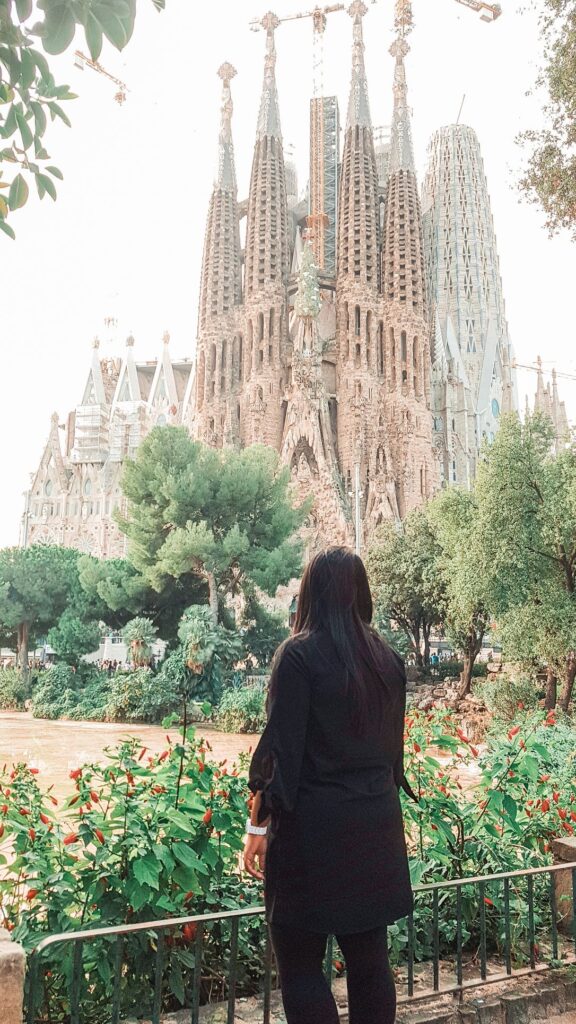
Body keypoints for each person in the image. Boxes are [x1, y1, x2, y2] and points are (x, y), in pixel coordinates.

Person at [244, 547, 417, 1024]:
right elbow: (391, 755)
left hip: (311, 838)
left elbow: (281, 752)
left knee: (299, 966)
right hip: (375, 831)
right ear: (362, 593)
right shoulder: (388, 660)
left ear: (309, 594)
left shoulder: (297, 656)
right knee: (369, 964)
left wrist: (257, 828)